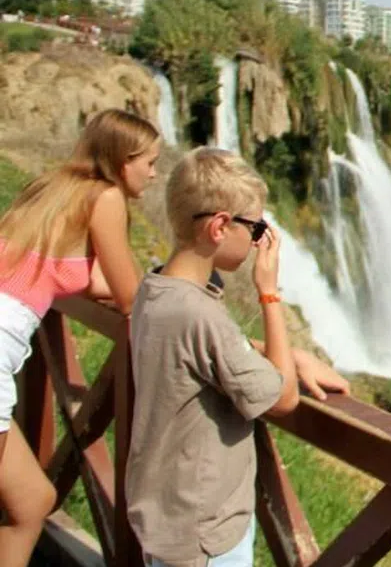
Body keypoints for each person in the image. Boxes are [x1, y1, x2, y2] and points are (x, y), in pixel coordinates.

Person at [125, 147, 350, 567]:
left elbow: (210, 350)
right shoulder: (199, 314)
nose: (259, 240)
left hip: (167, 515)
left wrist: (290, 355)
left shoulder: (156, 289)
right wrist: (269, 292)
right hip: (205, 532)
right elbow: (283, 398)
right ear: (219, 227)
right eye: (256, 227)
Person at [0, 108, 160, 567]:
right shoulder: (105, 198)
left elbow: (79, 276)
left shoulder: (51, 188)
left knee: (32, 501)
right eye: (149, 162)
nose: (154, 174)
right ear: (124, 161)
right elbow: (130, 298)